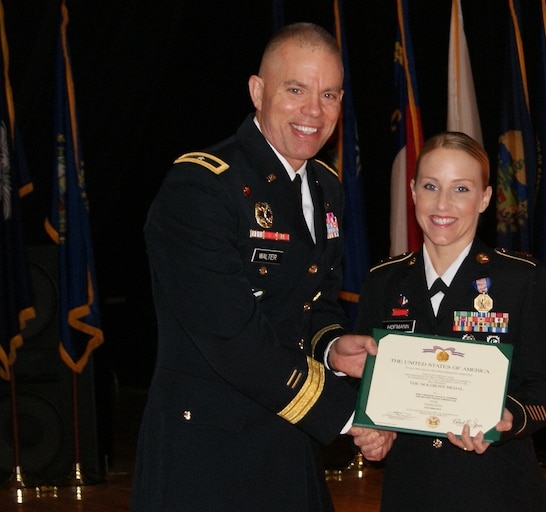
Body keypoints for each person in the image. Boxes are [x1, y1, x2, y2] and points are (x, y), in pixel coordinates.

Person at [131, 22, 394, 512]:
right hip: (207, 456)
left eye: (330, 94)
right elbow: (231, 334)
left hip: (292, 445)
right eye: (295, 90)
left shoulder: (325, 187)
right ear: (257, 91)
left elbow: (312, 303)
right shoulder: (201, 186)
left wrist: (334, 345)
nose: (314, 112)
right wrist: (348, 415)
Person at [355, 131, 546, 511]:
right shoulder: (382, 281)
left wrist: (507, 417)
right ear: (413, 189)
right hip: (411, 491)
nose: (443, 204)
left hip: (498, 489)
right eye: (432, 186)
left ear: (485, 198)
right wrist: (374, 429)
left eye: (462, 189)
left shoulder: (521, 278)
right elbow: (366, 386)